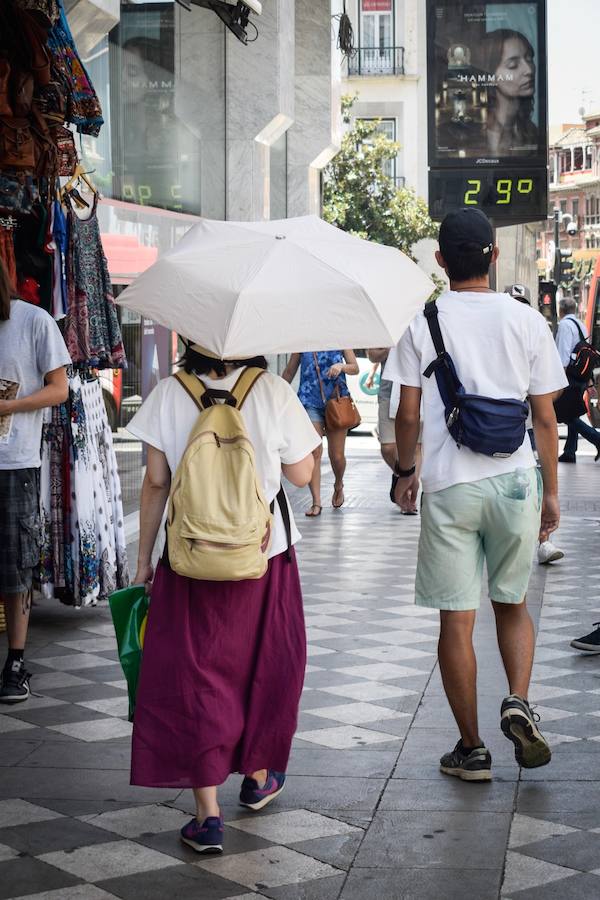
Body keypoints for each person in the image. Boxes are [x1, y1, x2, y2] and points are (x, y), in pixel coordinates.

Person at [387, 209, 567, 782]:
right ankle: (518, 700)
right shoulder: (527, 320)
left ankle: (472, 749)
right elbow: (545, 419)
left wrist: (406, 471)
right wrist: (551, 494)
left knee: (456, 620)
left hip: (450, 487)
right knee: (512, 605)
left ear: (441, 261)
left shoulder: (422, 324)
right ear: (494, 254)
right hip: (514, 482)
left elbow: (407, 415)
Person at [127, 343, 318, 854]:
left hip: (188, 558)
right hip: (263, 556)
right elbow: (301, 474)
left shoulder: (168, 393)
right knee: (266, 664)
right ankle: (257, 776)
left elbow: (156, 482)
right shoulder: (272, 390)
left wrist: (144, 560)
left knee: (197, 677)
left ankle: (207, 815)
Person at [0, 260, 70, 703]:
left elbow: (59, 389)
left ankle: (16, 662)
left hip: (14, 462)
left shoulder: (33, 321)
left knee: (15, 565)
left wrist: (9, 406)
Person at [507, 285, 565, 566]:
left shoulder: (535, 329)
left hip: (530, 425)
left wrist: (535, 392)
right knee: (515, 484)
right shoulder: (502, 332)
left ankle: (543, 540)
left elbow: (554, 390)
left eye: (522, 302)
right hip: (508, 427)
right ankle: (514, 537)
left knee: (538, 478)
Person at [282, 350, 359, 516]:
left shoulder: (340, 339)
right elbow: (289, 372)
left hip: (337, 399)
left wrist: (341, 366)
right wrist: (275, 394)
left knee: (337, 456)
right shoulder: (302, 342)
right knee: (314, 451)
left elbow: (355, 368)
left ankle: (338, 484)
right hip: (309, 400)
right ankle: (316, 502)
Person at [368, 347, 422, 512]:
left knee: (417, 446)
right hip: (388, 391)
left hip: (420, 389)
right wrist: (390, 348)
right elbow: (372, 356)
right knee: (387, 447)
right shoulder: (389, 331)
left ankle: (409, 495)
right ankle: (404, 473)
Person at [479, 29, 539, 157]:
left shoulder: (533, 133)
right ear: (490, 76)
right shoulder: (475, 133)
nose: (529, 70)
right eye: (513, 65)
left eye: (529, 59)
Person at [555, 296, 600, 463]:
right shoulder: (581, 325)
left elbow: (563, 354)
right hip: (581, 376)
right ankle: (570, 451)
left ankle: (597, 439)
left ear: (560, 310)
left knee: (565, 414)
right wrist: (588, 381)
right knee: (572, 411)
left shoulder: (565, 325)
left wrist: (558, 380)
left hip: (570, 377)